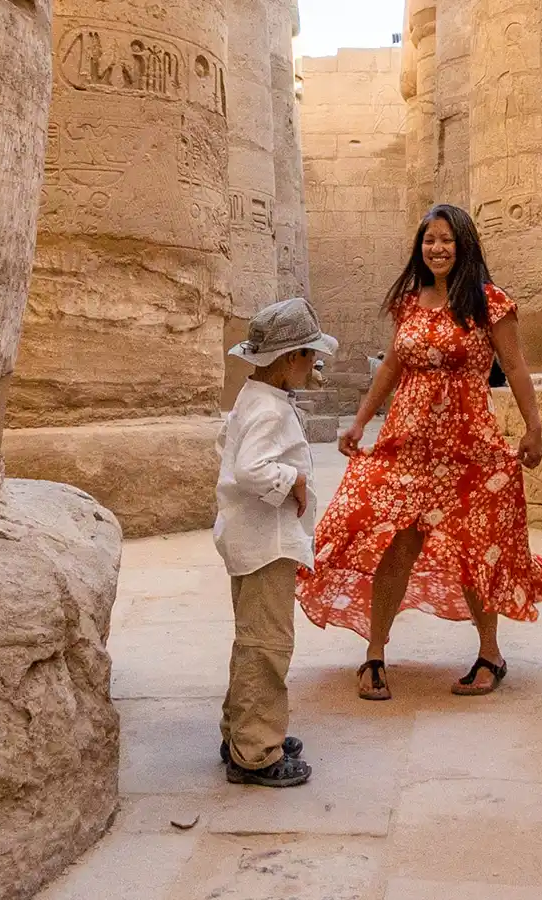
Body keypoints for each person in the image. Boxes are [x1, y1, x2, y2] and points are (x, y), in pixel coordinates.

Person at [297, 204, 542, 700]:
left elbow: (515, 366)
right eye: (429, 240)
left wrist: (534, 428)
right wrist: (360, 420)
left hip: (469, 445)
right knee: (395, 545)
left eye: (446, 240)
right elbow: (392, 367)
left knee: (474, 546)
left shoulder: (489, 302)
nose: (437, 249)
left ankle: (490, 654)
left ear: (464, 245)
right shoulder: (408, 302)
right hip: (409, 443)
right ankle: (374, 654)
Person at [214, 297, 338, 787]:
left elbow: (228, 450)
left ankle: (241, 730)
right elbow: (250, 469)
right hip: (267, 544)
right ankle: (256, 751)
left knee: (251, 639)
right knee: (268, 645)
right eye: (311, 355)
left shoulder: (254, 397)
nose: (315, 364)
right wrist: (295, 480)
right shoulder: (271, 410)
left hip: (250, 539)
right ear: (290, 359)